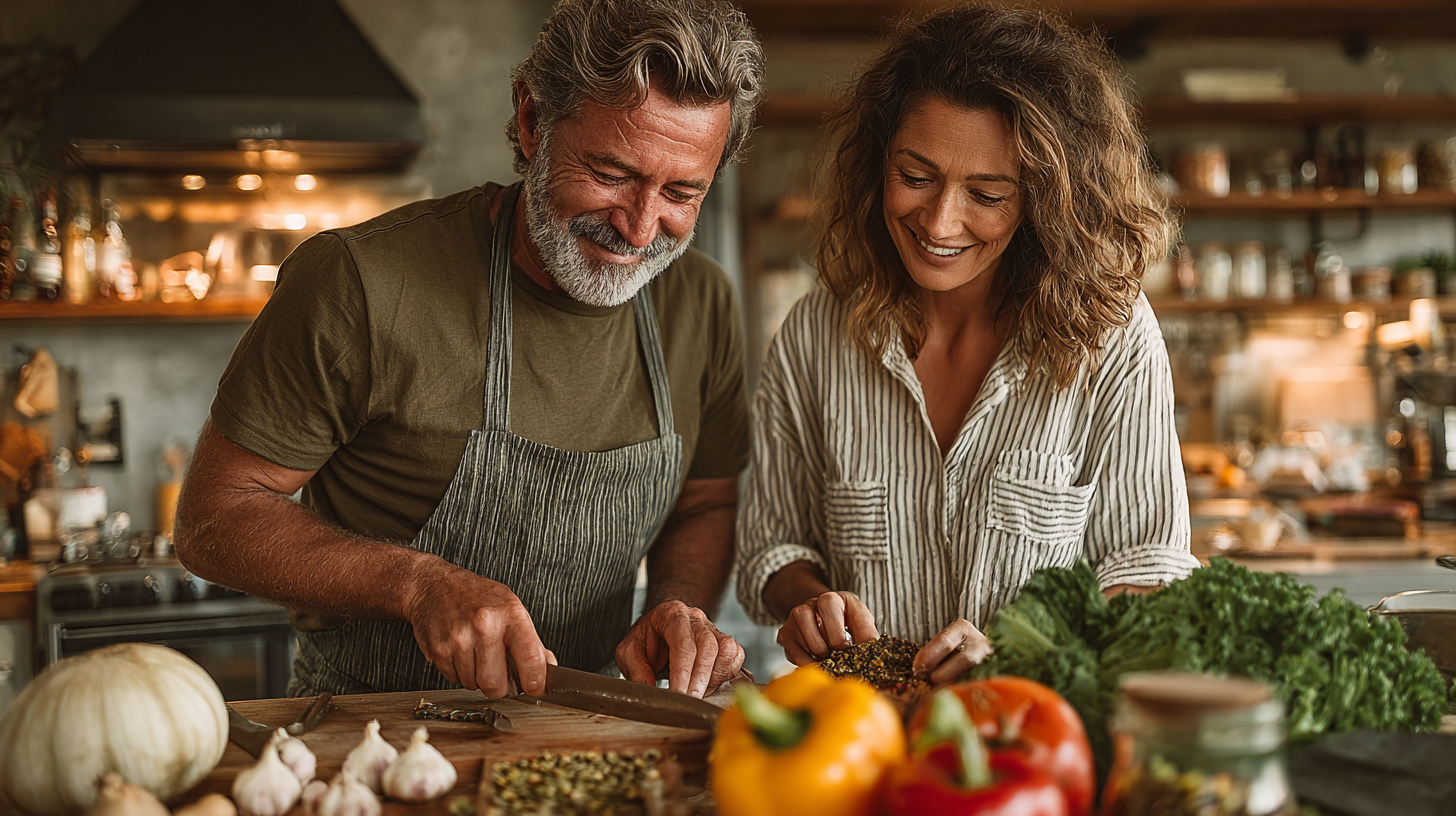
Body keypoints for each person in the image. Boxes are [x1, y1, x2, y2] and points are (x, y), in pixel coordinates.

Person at [174, 0, 765, 701]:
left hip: (593, 727)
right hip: (370, 729)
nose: (640, 230)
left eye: (682, 192)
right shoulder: (358, 281)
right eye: (612, 173)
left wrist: (676, 605)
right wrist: (416, 583)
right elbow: (213, 518)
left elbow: (704, 506)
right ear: (533, 119)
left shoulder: (702, 301)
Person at [736, 4, 1200, 686]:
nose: (939, 222)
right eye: (915, 177)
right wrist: (808, 601)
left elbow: (1147, 570)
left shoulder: (1113, 335)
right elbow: (773, 548)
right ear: (878, 164)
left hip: (1031, 728)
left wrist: (1023, 650)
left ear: (1046, 200)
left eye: (985, 194)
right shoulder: (813, 336)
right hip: (861, 732)